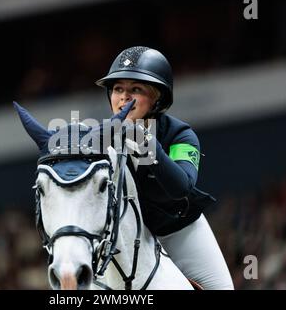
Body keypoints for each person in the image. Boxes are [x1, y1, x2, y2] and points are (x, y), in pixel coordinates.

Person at [95, 46, 234, 290]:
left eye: (135, 89)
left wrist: (147, 143)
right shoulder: (99, 140)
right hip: (127, 239)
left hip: (179, 231)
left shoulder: (180, 135)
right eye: (118, 89)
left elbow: (181, 188)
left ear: (157, 97)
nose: (124, 98)